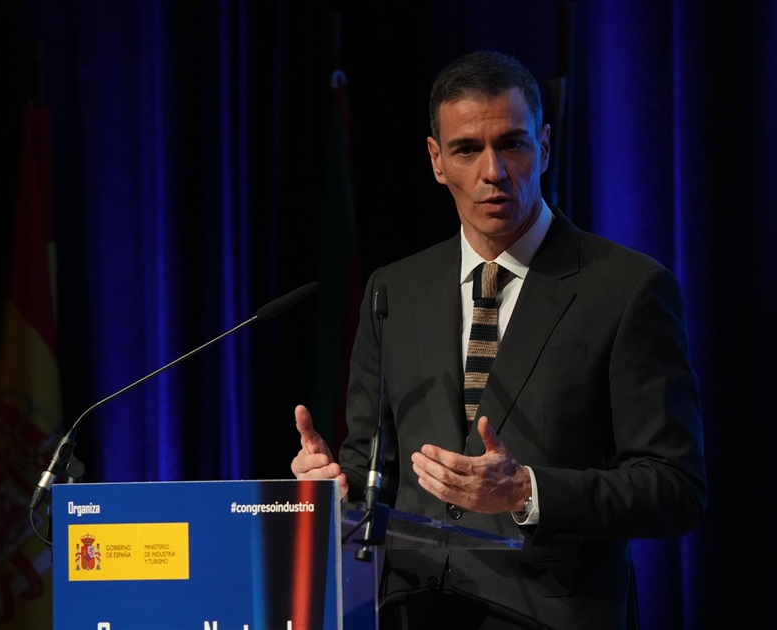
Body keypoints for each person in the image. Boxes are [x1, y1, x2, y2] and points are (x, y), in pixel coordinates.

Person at [291, 49, 707, 630]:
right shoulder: (394, 291)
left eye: (511, 144)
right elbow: (371, 469)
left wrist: (526, 491)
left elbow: (675, 488)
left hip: (550, 616)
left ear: (544, 146)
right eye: (467, 149)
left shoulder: (627, 288)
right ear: (437, 160)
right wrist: (335, 492)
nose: (493, 171)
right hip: (413, 613)